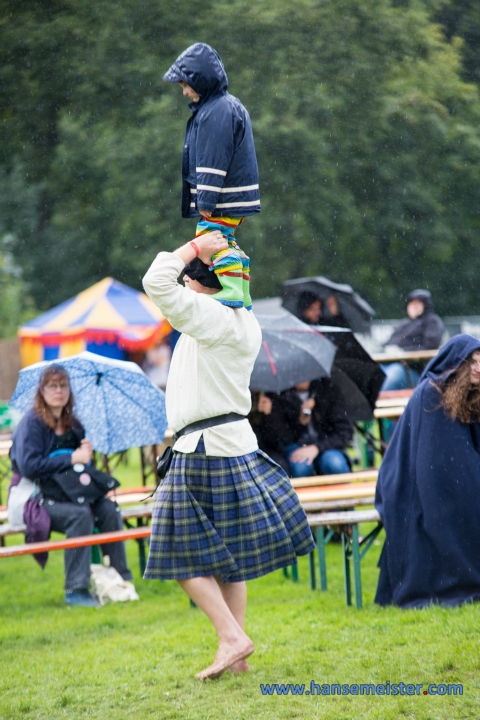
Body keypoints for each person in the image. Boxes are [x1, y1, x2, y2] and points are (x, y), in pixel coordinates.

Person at [142, 231, 315, 681]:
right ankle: (236, 654)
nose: (185, 290)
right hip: (229, 444)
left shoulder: (211, 316)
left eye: (191, 282)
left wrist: (191, 249)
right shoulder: (242, 321)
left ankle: (233, 638)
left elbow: (156, 281)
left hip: (203, 448)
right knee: (229, 558)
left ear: (203, 285)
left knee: (173, 551)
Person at [9, 365, 134, 607]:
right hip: (34, 497)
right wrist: (72, 458)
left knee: (109, 509)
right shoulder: (31, 423)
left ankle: (120, 579)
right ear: (42, 390)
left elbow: (80, 469)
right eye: (53, 386)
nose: (59, 391)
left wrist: (86, 454)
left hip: (70, 493)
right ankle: (76, 590)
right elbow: (28, 466)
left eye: (63, 385)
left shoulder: (74, 424)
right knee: (80, 516)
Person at [375, 334, 480, 608]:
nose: (478, 367)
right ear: (455, 365)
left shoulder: (474, 395)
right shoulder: (431, 394)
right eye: (472, 361)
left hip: (454, 478)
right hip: (412, 483)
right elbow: (440, 462)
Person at [164, 42, 260, 310]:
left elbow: (212, 163)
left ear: (200, 80)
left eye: (186, 84)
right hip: (235, 198)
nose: (184, 91)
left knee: (210, 242)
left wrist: (204, 202)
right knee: (226, 242)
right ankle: (243, 289)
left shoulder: (215, 111)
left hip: (222, 200)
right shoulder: (227, 106)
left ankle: (231, 291)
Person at [381, 289, 445, 391]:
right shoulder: (404, 323)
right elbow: (389, 344)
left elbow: (430, 346)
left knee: (389, 378)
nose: (414, 306)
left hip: (413, 370)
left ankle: (375, 405)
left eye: (418, 303)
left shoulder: (432, 321)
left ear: (426, 305)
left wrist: (404, 354)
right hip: (390, 365)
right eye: (411, 303)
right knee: (369, 374)